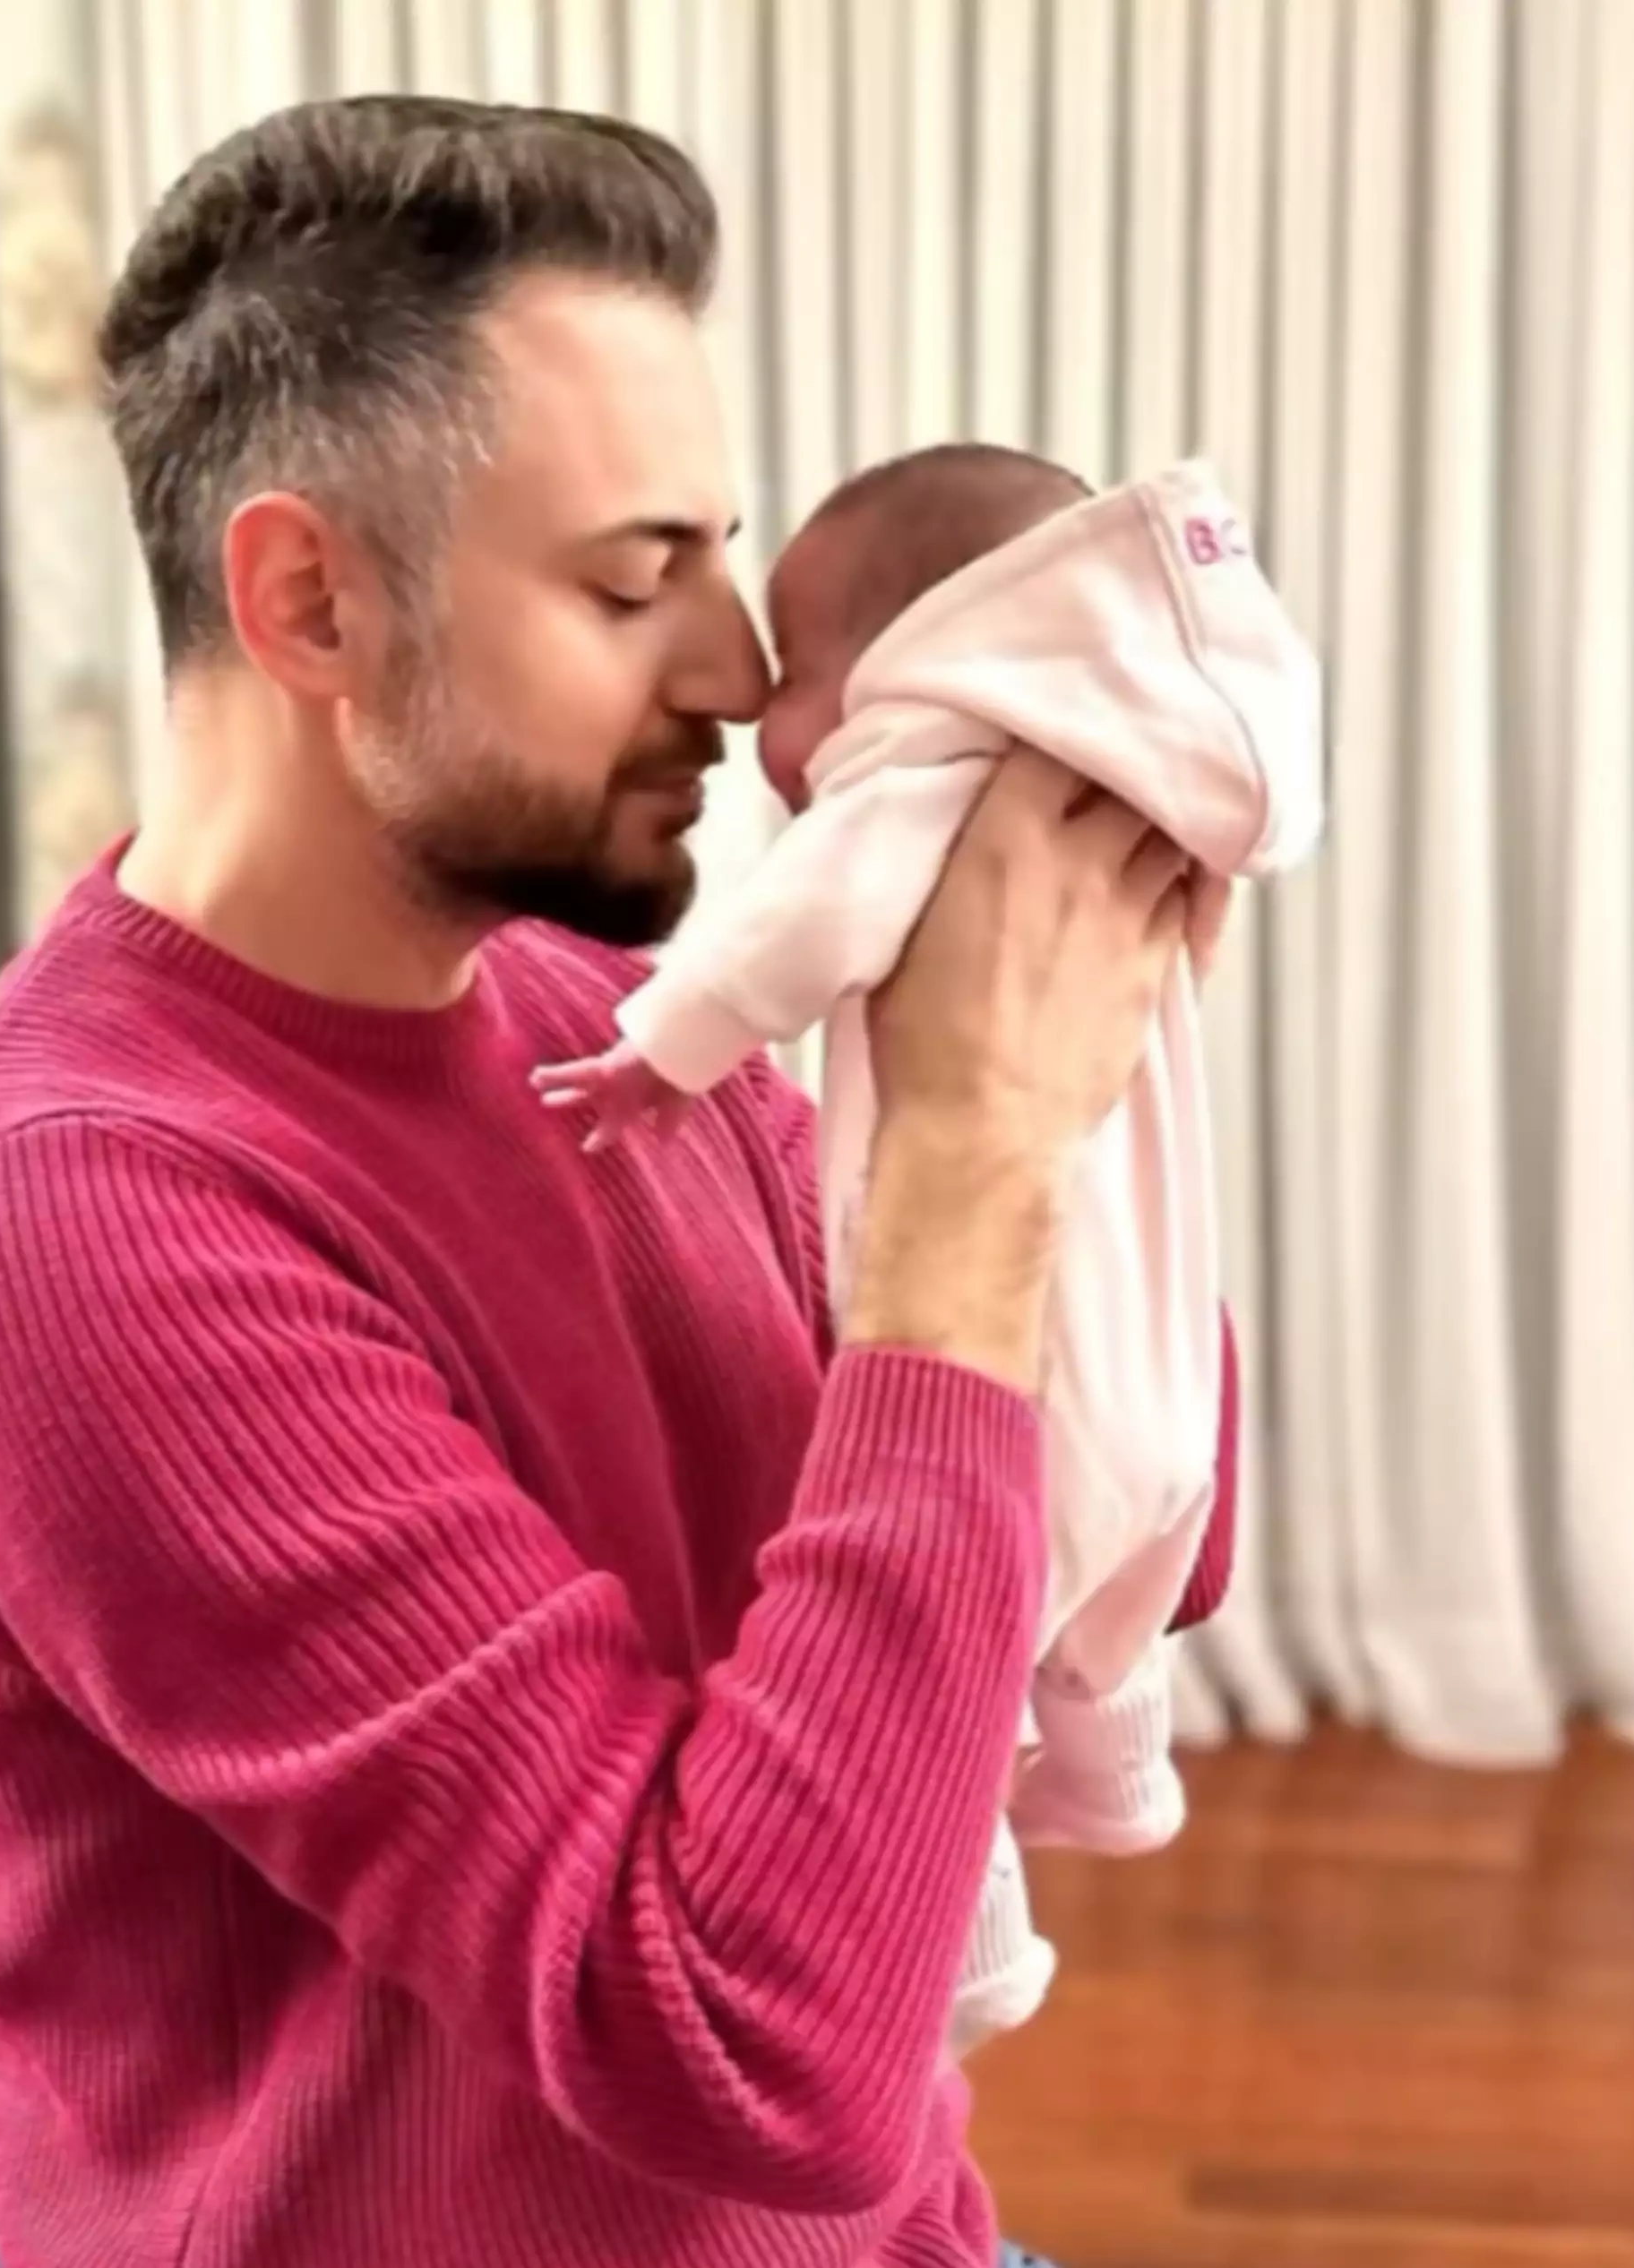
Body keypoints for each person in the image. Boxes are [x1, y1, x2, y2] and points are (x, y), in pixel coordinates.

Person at [0, 99, 1238, 2268]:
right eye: (632, 580)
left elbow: (1140, 1539)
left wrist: (1101, 1105)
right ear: (309, 600)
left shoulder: (614, 1025)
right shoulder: (65, 1218)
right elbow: (741, 2047)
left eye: (722, 556)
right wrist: (975, 1169)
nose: (744, 678)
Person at [534, 441, 1318, 2062]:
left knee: (984, 1637)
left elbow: (793, 928)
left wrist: (659, 1050)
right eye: (633, 579)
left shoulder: (925, 762)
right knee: (1114, 1573)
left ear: (921, 647)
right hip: (1158, 1357)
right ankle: (1117, 1770)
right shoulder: (1131, 786)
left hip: (1025, 1380)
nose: (748, 696)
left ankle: (969, 1948)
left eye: (795, 661)